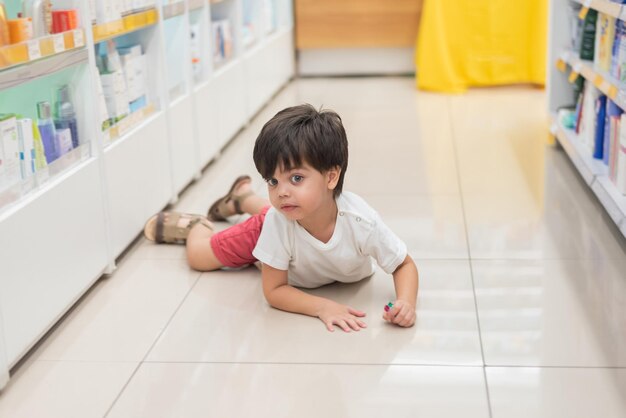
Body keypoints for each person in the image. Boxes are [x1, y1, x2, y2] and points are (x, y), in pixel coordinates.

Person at [144, 104, 419, 332]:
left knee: (279, 208)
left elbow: (403, 264)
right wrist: (322, 306)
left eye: (296, 178)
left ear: (331, 177)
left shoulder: (361, 222)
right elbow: (274, 290)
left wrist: (405, 302)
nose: (281, 191)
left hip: (289, 219)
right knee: (200, 257)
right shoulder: (277, 221)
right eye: (272, 181)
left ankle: (241, 198)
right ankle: (197, 226)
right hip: (267, 228)